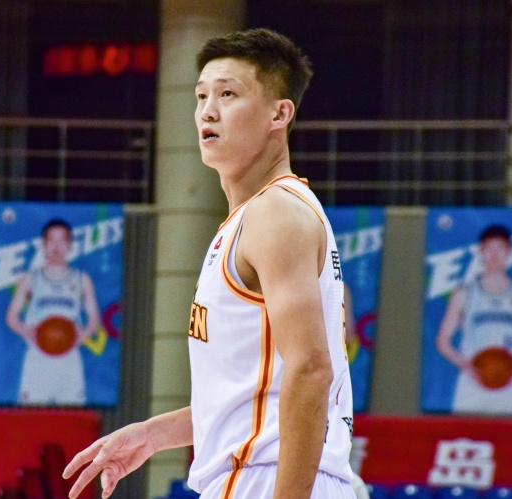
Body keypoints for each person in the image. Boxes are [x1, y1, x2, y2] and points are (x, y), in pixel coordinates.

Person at [64, 28, 356, 499]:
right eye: (201, 96)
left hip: (266, 479)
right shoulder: (254, 218)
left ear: (280, 114)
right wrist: (151, 435)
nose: (208, 110)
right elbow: (254, 398)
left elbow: (310, 369)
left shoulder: (275, 213)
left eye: (227, 94)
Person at [435, 224, 512, 415]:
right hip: (471, 385)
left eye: (500, 249)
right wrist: (465, 365)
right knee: (467, 432)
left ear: (509, 252)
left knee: (508, 434)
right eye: (489, 249)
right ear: (481, 251)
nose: (494, 255)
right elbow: (442, 341)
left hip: (509, 387)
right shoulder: (464, 294)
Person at [5, 218, 101, 406]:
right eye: (51, 240)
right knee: (32, 417)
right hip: (38, 360)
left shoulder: (82, 279)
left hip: (69, 360)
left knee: (72, 417)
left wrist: (80, 336)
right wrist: (28, 332)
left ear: (70, 244)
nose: (56, 247)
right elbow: (11, 317)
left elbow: (94, 319)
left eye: (62, 240)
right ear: (44, 244)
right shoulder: (30, 278)